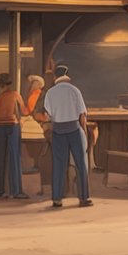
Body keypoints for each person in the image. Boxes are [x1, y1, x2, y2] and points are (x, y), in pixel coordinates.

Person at [44, 64, 92, 208]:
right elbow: (82, 115)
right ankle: (84, 197)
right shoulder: (75, 91)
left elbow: (49, 116)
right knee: (81, 164)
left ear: (55, 77)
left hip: (58, 131)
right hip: (75, 130)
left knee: (59, 166)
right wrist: (83, 131)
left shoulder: (50, 93)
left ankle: (57, 198)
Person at [0, 72, 29, 199]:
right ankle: (16, 190)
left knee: (0, 156)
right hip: (12, 125)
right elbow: (24, 111)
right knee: (15, 157)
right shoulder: (15, 94)